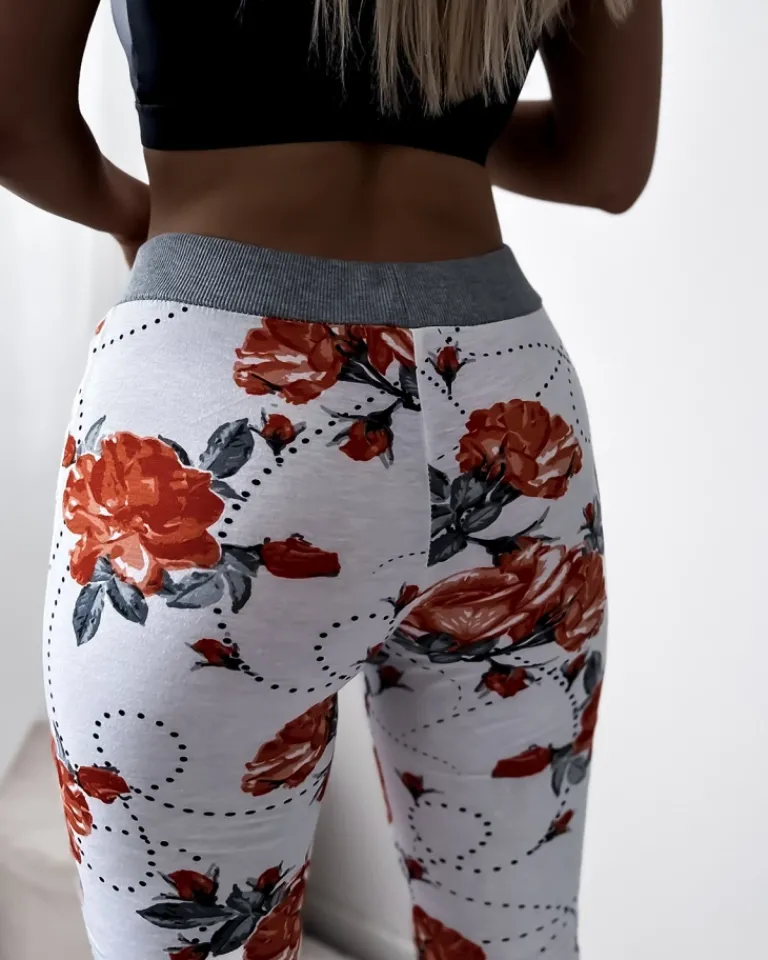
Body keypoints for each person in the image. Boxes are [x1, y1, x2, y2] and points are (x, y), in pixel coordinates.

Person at [0, 0, 662, 957]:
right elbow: (605, 165)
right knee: (513, 938)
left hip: (216, 396)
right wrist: (432, 106)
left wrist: (132, 213)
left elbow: (13, 119)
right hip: (506, 403)